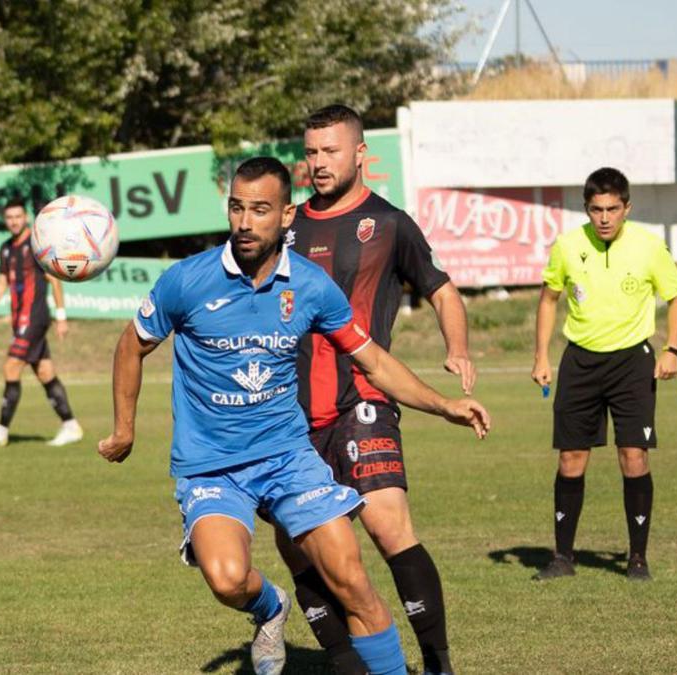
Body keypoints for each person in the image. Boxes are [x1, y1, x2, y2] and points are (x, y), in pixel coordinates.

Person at [97, 157, 490, 675]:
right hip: (211, 465)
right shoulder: (187, 280)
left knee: (353, 581)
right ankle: (270, 607)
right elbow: (132, 346)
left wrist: (442, 405)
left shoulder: (309, 286)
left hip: (287, 458)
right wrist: (125, 428)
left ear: (286, 216)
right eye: (237, 207)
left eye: (259, 210)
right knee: (227, 578)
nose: (244, 221)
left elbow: (371, 358)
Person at [276, 104, 475, 675]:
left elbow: (442, 291)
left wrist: (456, 347)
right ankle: (347, 661)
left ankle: (437, 663)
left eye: (331, 150)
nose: (318, 162)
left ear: (361, 154)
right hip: (290, 415)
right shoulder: (285, 225)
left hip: (363, 398)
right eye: (311, 151)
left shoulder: (388, 224)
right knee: (298, 544)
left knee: (388, 522)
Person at [532, 167, 677, 582]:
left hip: (632, 362)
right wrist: (541, 357)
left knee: (633, 455)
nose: (604, 218)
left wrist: (671, 348)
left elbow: (675, 298)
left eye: (612, 209)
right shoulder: (566, 246)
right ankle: (563, 557)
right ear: (587, 209)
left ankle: (637, 558)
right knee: (571, 458)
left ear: (626, 208)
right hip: (580, 361)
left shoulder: (650, 247)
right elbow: (548, 299)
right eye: (596, 209)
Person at [0, 197, 82, 447]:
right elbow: (2, 283)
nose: (13, 221)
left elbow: (55, 279)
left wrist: (61, 317)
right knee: (45, 372)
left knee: (11, 367)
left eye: (18, 217)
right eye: (9, 218)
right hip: (20, 320)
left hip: (35, 318)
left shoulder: (38, 244)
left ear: (27, 218)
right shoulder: (6, 248)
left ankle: (1, 431)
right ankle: (71, 426)